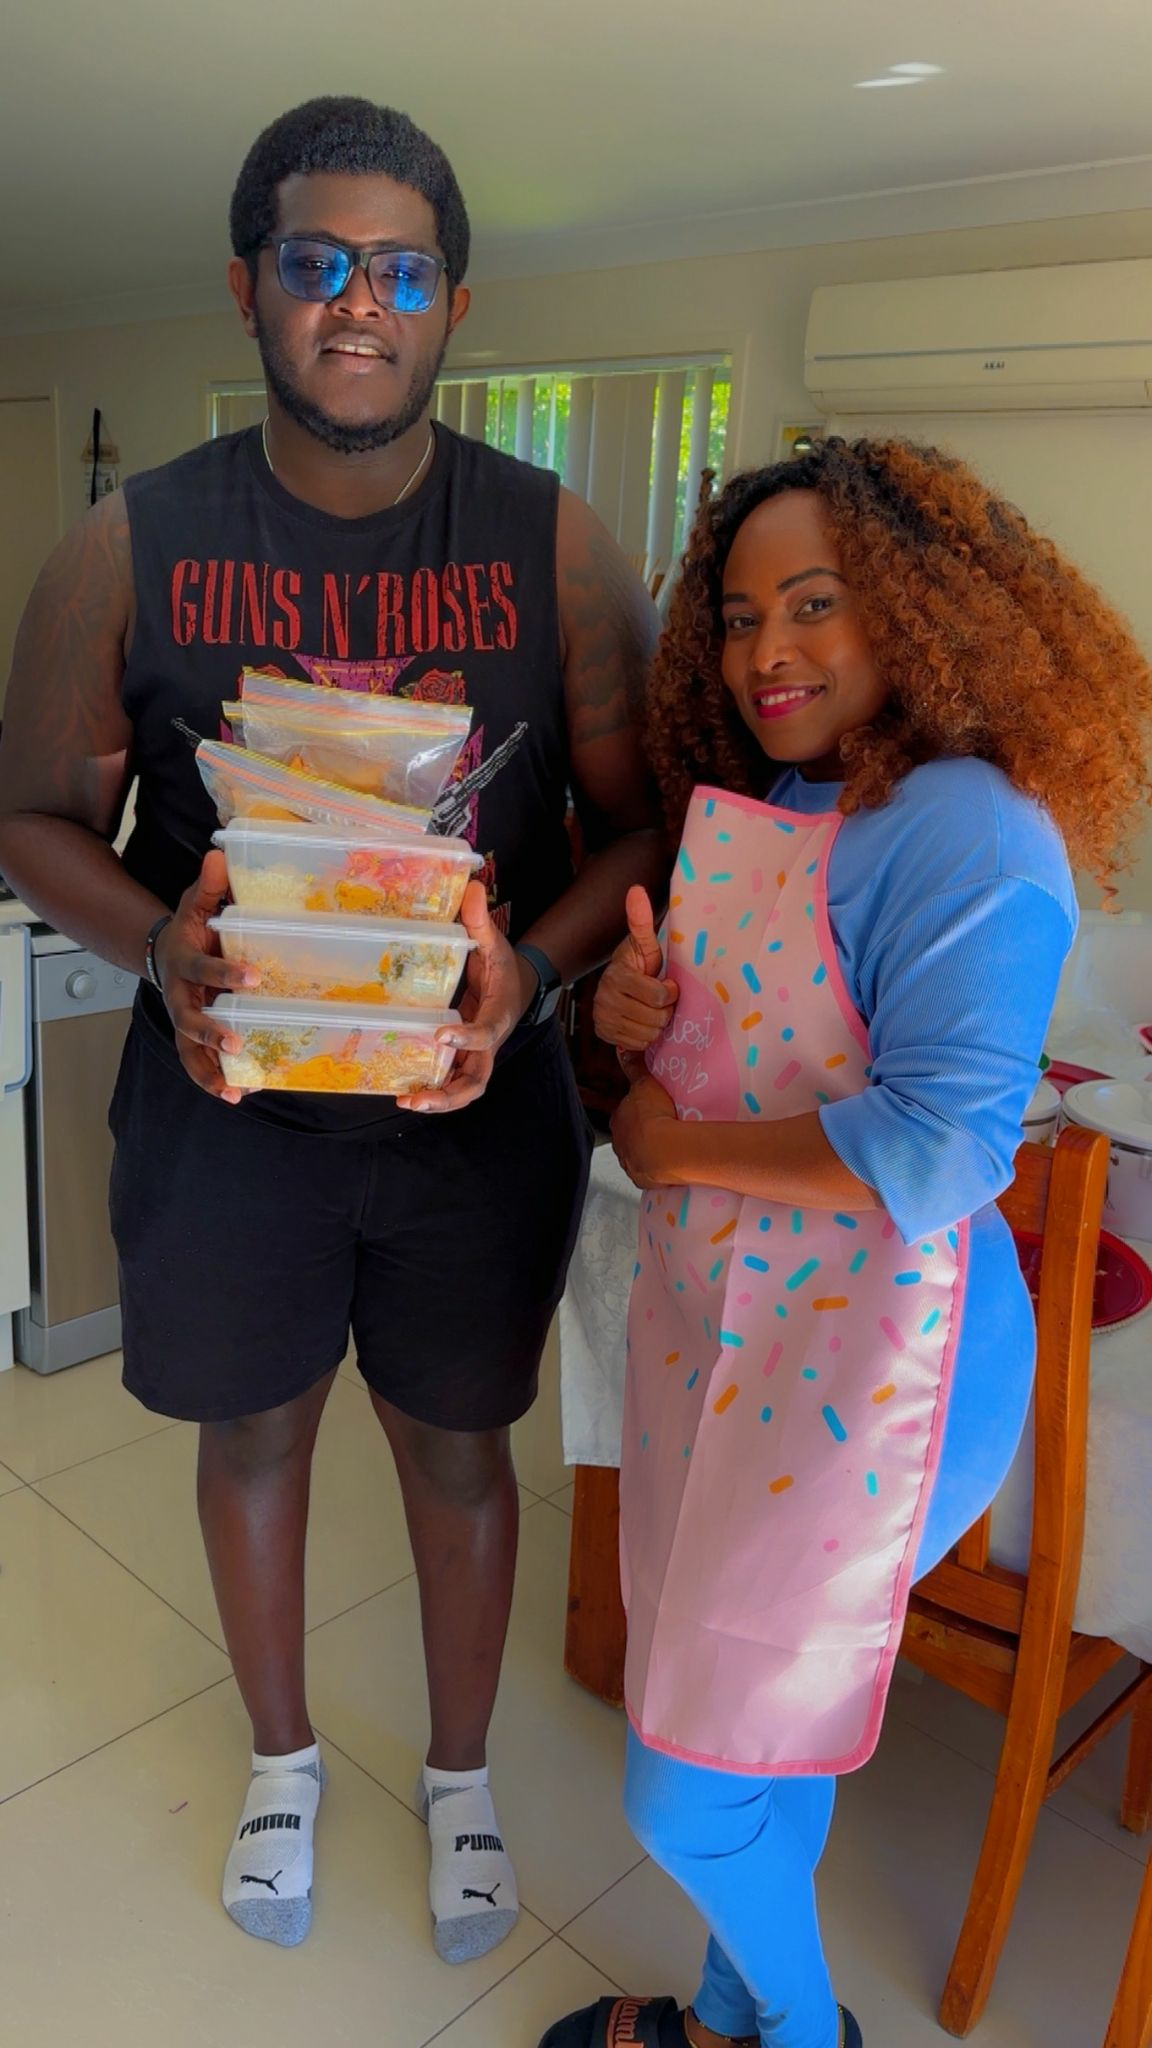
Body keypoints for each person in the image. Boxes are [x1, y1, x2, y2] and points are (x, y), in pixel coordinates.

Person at [0, 96, 667, 1962]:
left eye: (401, 271)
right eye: (316, 262)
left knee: (459, 1453)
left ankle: (460, 1780)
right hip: (229, 1112)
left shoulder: (552, 542)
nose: (358, 302)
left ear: (453, 302)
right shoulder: (130, 544)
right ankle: (283, 1763)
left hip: (473, 1110)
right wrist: (163, 951)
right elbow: (32, 817)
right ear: (249, 288)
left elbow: (641, 826)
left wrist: (531, 975)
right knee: (256, 1436)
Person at [542, 435, 1152, 2048]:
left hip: (881, 1369)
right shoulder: (789, 800)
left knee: (684, 1790)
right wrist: (640, 1019)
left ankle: (805, 2035)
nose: (770, 652)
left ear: (920, 608)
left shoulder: (974, 830)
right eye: (741, 617)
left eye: (815, 604)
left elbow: (944, 1150)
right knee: (757, 1733)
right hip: (735, 1333)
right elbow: (747, 1050)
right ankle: (730, 2015)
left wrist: (669, 1144)